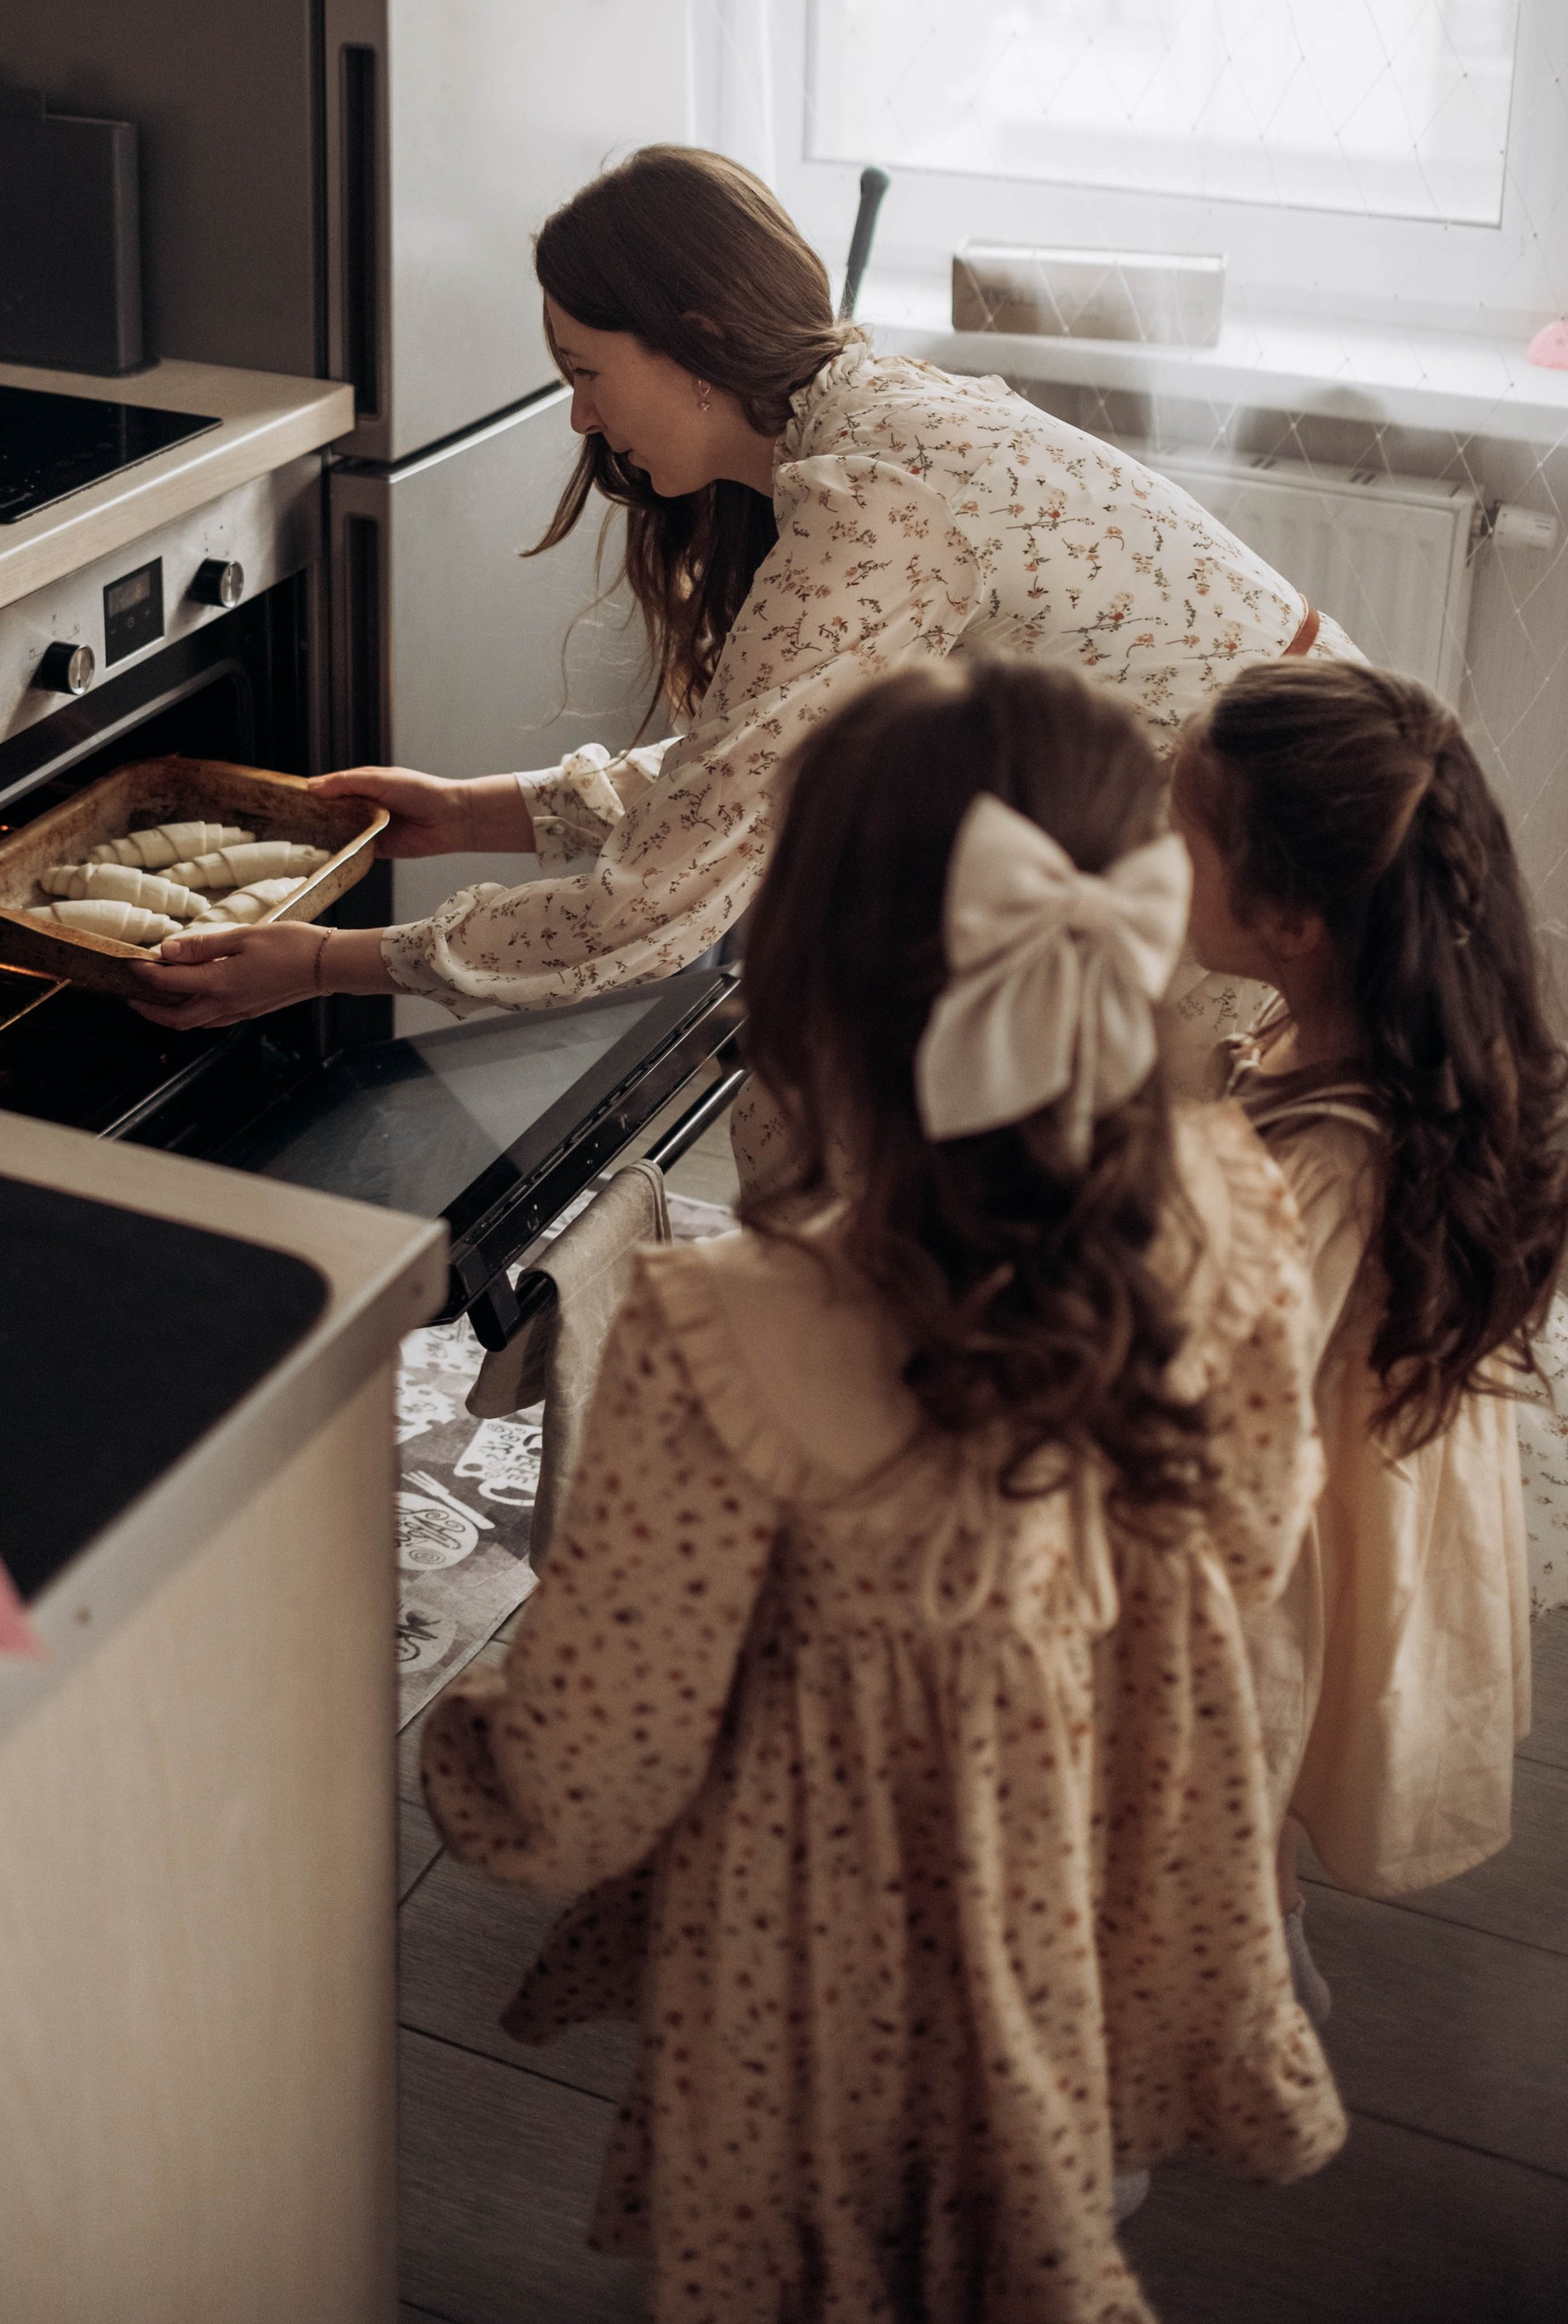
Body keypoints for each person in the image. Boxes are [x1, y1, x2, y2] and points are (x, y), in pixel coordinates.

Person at [419, 657, 1346, 2323]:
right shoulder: (1240, 1206)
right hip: (1102, 1866)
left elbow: (592, 1768)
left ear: (804, 977)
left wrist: (459, 1745)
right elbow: (1256, 1531)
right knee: (1030, 2211)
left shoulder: (723, 1336)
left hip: (821, 1967)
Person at [130, 149, 1347, 1088]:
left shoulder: (873, 501)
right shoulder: (866, 415)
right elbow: (754, 765)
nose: (580, 418)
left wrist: (330, 965)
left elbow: (656, 903)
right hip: (1255, 824)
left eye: (585, 371)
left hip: (1260, 866)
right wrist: (474, 813)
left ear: (697, 343)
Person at [1170, 659, 1568, 1992]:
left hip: (1260, 1548)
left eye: (1181, 843)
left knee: (1208, 1815)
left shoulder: (1330, 1166)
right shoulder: (1341, 1028)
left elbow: (1213, 1405)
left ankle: (1233, 2019)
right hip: (1314, 1483)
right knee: (1231, 1819)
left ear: (1290, 917)